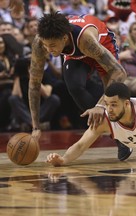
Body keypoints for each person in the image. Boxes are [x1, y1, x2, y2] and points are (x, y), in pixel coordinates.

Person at [28, 12, 130, 161]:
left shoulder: (86, 40)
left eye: (52, 45)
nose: (48, 50)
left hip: (101, 45)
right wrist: (35, 126)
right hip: (78, 53)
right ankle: (118, 137)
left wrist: (101, 106)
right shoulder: (40, 43)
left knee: (112, 94)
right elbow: (34, 84)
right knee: (74, 86)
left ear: (64, 38)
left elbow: (120, 73)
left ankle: (128, 130)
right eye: (46, 45)